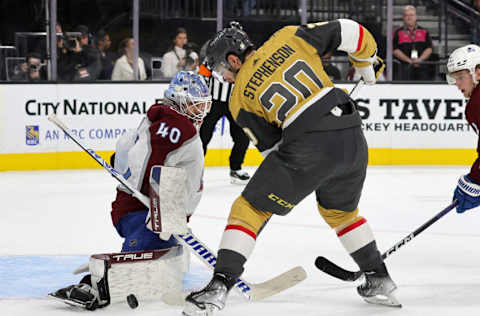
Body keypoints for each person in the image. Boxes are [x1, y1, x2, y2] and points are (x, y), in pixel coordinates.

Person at [183, 19, 397, 316]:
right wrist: (365, 63)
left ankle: (219, 285)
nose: (224, 77)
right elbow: (352, 31)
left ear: (234, 59)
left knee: (250, 208)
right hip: (352, 135)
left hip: (308, 147)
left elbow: (275, 149)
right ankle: (379, 277)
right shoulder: (289, 36)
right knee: (341, 212)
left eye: (222, 69)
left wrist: (299, 176)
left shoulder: (238, 99)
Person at [48, 71, 212, 310]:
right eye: (195, 106)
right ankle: (95, 285)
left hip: (147, 211)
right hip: (143, 213)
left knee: (167, 251)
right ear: (179, 100)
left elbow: (128, 153)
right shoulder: (176, 125)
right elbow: (149, 162)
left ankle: (137, 254)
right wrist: (156, 207)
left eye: (202, 106)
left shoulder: (164, 120)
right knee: (146, 252)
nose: (201, 112)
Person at [198, 39, 251, 184]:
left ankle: (236, 168)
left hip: (234, 101)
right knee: (203, 136)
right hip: (213, 100)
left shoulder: (244, 57)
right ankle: (195, 170)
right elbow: (202, 74)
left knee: (242, 135)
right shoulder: (213, 55)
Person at [446, 44, 480, 214]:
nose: (457, 84)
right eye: (454, 78)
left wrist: (475, 179)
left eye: (460, 77)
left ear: (478, 72)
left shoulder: (476, 104)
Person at [392, 5, 433, 81]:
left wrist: (420, 60)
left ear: (416, 17)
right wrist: (409, 61)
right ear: (403, 17)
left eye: (411, 15)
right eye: (406, 15)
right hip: (403, 67)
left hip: (422, 66)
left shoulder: (424, 31)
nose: (409, 17)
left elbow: (429, 48)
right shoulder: (397, 32)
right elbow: (395, 50)